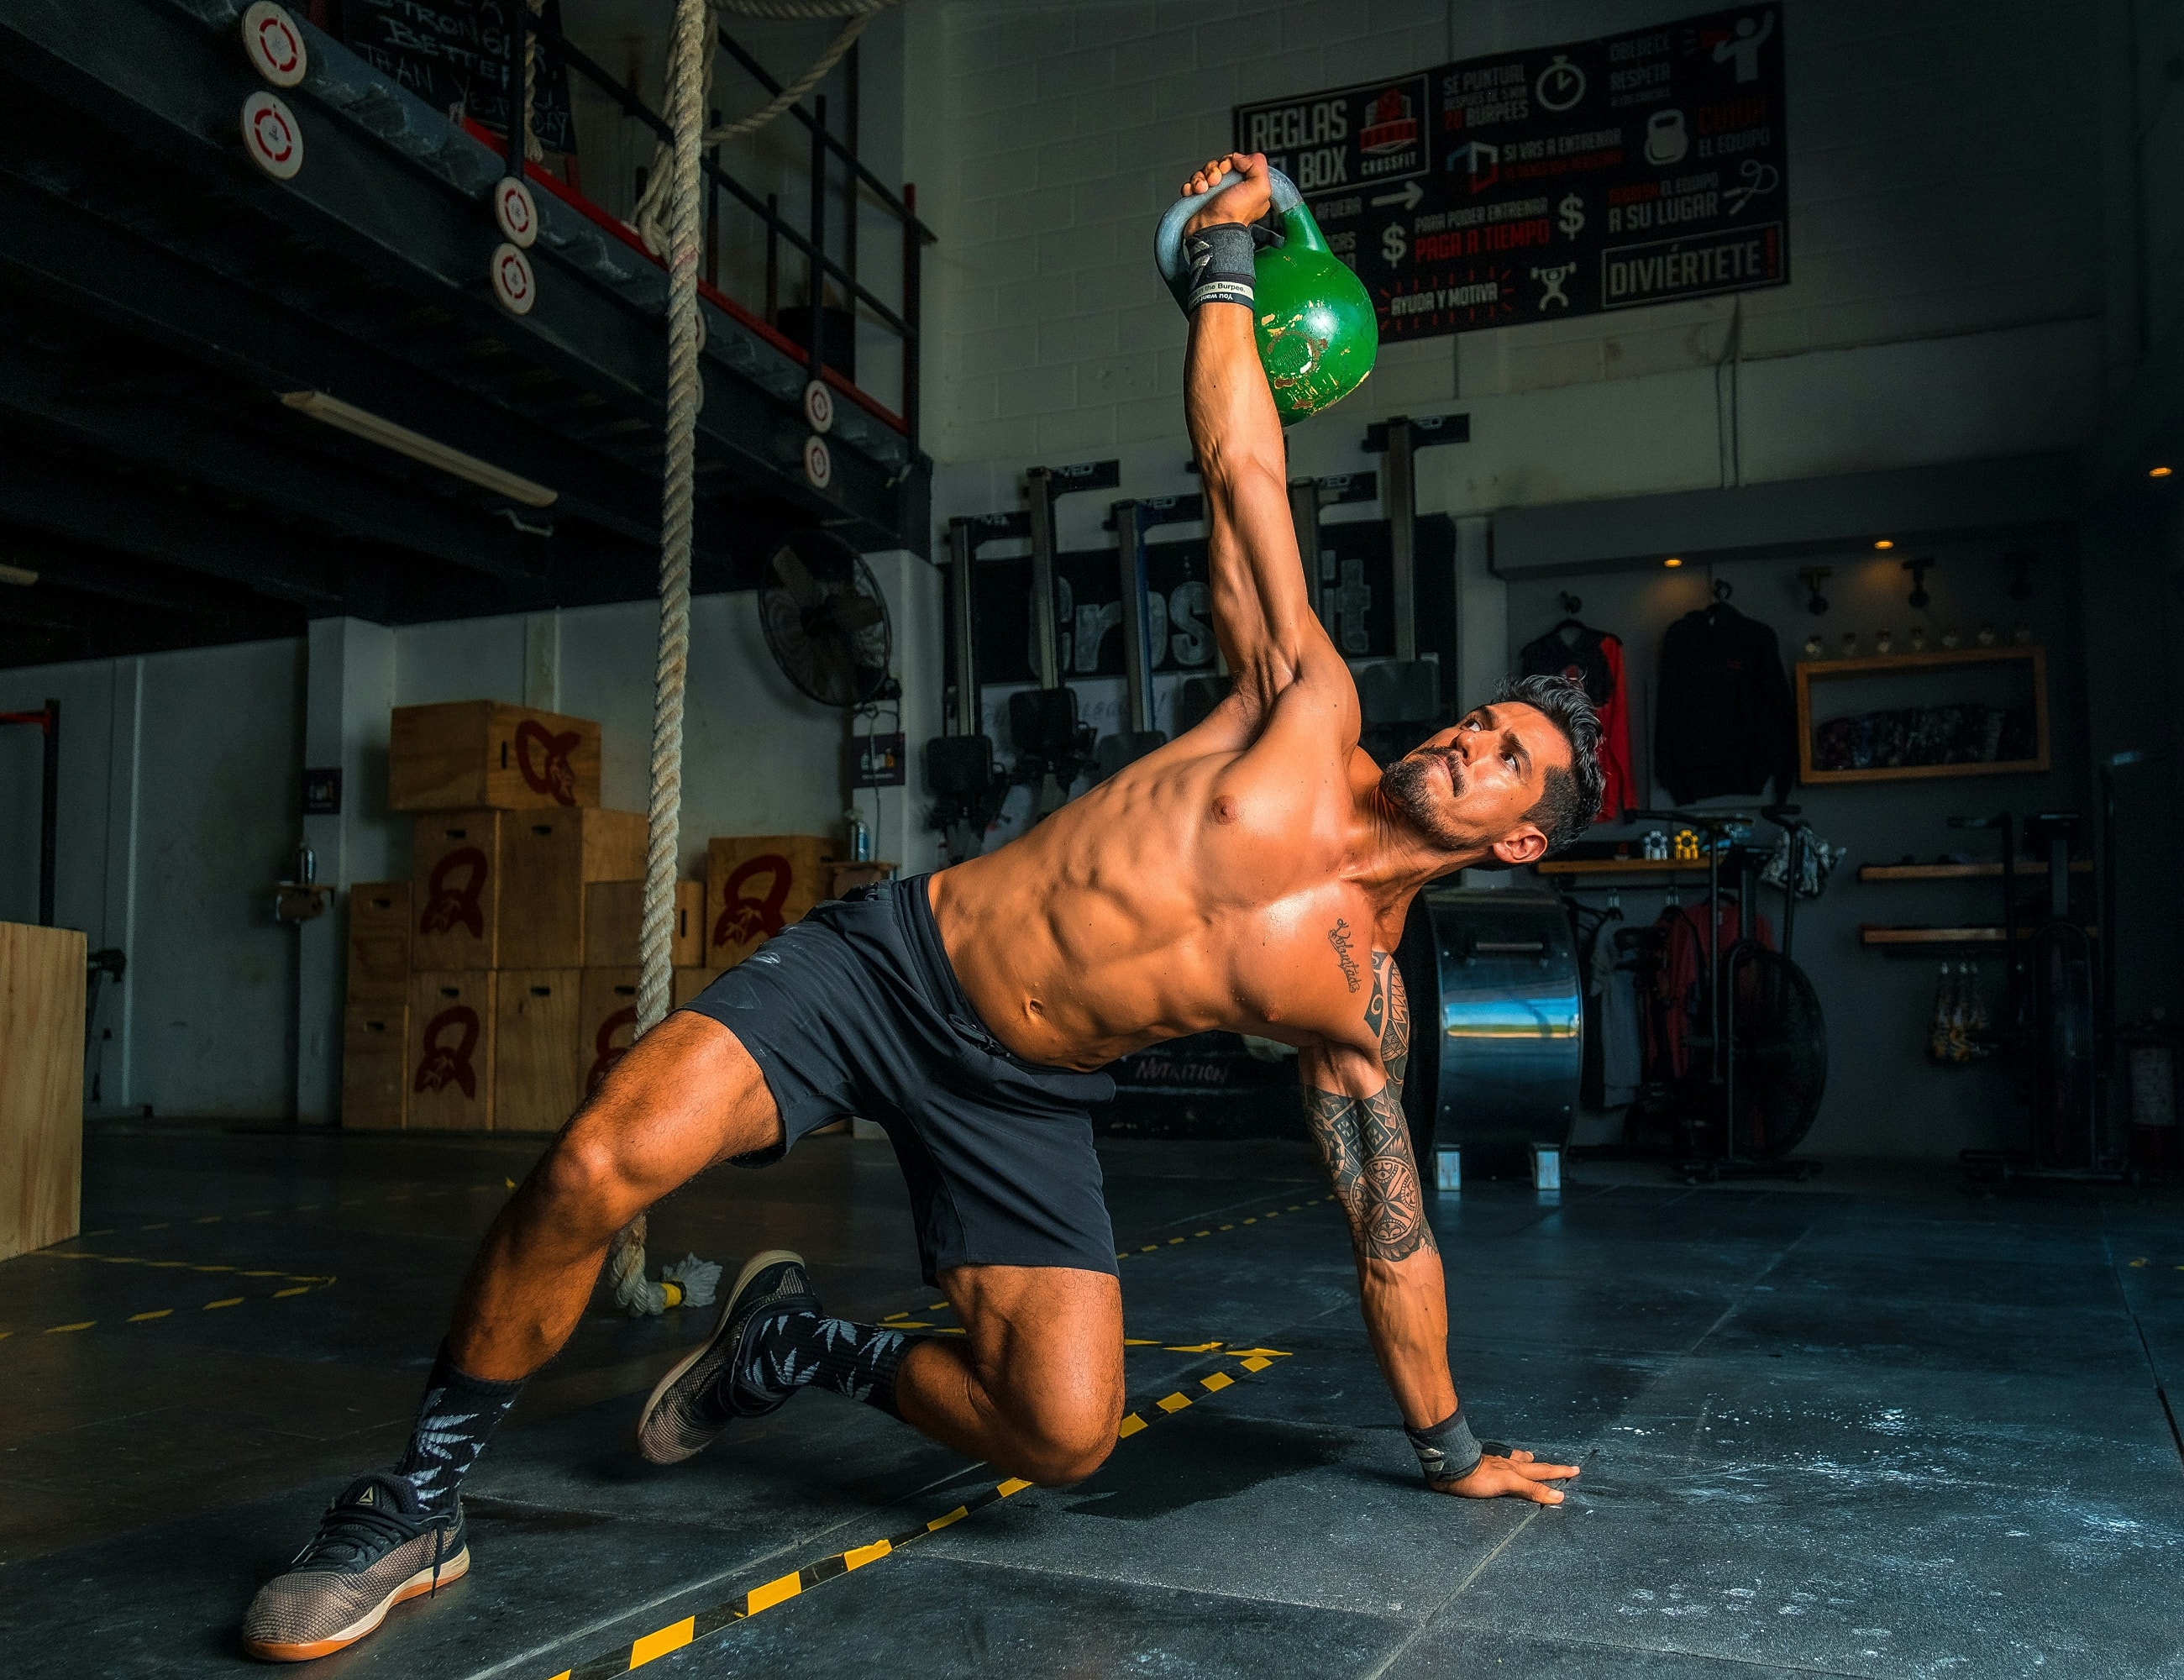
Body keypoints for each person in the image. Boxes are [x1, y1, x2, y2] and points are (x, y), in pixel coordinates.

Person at [243, 150, 1601, 1663]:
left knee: (1067, 1430)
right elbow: (1243, 466)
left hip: (1018, 1099)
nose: (1469, 742)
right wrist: (1227, 257)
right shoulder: (1304, 704)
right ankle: (418, 1499)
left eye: (1507, 762)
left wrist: (1450, 1448)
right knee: (596, 1160)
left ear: (1522, 841)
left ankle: (796, 1343)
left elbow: (1391, 1236)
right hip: (889, 969)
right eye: (1482, 720)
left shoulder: (1362, 999)